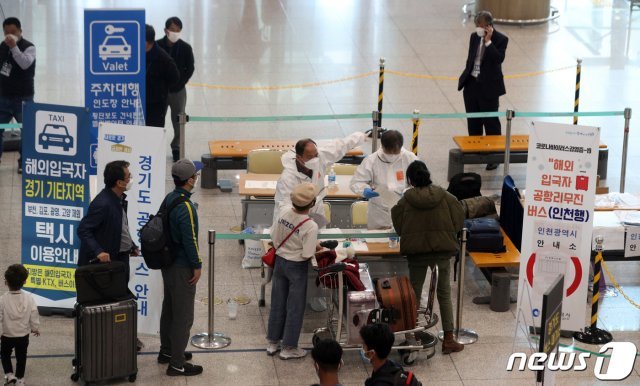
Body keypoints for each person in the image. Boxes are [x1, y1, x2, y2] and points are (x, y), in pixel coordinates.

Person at [391, 161, 464, 354]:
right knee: (444, 294)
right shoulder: (445, 196)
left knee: (413, 294)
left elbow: (398, 224)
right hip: (441, 251)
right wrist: (447, 233)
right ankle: (449, 339)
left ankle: (413, 335)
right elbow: (458, 218)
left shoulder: (405, 200)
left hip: (417, 253)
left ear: (410, 180)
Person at [159, 159, 203, 376]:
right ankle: (176, 363)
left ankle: (167, 351)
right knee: (183, 315)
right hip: (182, 266)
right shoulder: (186, 206)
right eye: (196, 175)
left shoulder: (170, 198)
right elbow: (190, 241)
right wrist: (197, 266)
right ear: (190, 180)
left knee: (169, 309)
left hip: (167, 264)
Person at [267, 182, 320, 360]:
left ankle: (273, 342)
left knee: (277, 302)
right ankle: (289, 347)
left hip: (280, 262)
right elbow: (307, 253)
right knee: (295, 307)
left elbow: (273, 236)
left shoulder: (283, 212)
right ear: (312, 204)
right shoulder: (310, 225)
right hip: (297, 267)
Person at [273, 131, 365, 225]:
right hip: (292, 219)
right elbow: (285, 206)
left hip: (316, 209)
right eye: (309, 157)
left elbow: (340, 146)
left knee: (319, 236)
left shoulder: (320, 156)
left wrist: (361, 136)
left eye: (316, 155)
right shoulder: (288, 178)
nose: (315, 159)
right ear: (299, 158)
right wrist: (302, 223)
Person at [457, 10, 508, 170]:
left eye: (480, 26)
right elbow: (471, 59)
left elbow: (498, 59)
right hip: (471, 84)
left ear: (488, 26)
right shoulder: (474, 37)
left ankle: (494, 155)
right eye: (476, 25)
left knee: (491, 122)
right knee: (473, 120)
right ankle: (475, 150)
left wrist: (488, 42)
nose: (478, 28)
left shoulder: (501, 39)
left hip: (489, 87)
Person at [77, 160, 140, 276]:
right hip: (106, 265)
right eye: (128, 176)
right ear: (120, 183)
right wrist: (98, 251)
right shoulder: (102, 203)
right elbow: (83, 229)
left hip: (121, 257)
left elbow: (120, 227)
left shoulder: (118, 199)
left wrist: (131, 245)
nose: (131, 179)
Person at [350, 130, 417, 229]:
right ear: (382, 146)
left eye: (396, 152)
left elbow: (422, 183)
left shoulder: (411, 158)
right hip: (379, 213)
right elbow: (356, 182)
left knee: (403, 241)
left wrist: (409, 191)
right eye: (389, 152)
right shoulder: (371, 160)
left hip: (405, 210)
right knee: (379, 242)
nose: (392, 155)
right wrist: (364, 189)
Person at [0, 17, 36, 174]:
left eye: (13, 32)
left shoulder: (29, 47)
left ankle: (24, 161)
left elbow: (24, 64)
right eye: (6, 32)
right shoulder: (2, 46)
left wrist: (14, 47)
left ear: (20, 31)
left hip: (23, 98)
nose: (9, 35)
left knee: (27, 131)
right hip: (3, 98)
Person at [157, 17, 195, 162]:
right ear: (165, 30)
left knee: (179, 121)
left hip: (178, 91)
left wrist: (181, 82)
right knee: (157, 119)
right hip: (160, 90)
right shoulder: (157, 46)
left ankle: (177, 147)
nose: (175, 33)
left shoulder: (185, 48)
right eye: (172, 30)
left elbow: (190, 68)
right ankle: (156, 145)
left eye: (178, 30)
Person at [0, 264, 40, 386]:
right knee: (21, 357)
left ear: (6, 282)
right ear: (25, 281)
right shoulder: (29, 298)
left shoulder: (2, 300)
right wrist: (35, 328)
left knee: (5, 354)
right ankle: (20, 379)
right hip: (23, 336)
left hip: (7, 335)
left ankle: (9, 374)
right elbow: (34, 314)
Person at [145, 24, 180, 128]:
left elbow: (175, 78)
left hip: (156, 104)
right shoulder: (136, 54)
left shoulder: (164, 59)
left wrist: (161, 88)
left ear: (147, 42)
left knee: (154, 134)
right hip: (139, 102)